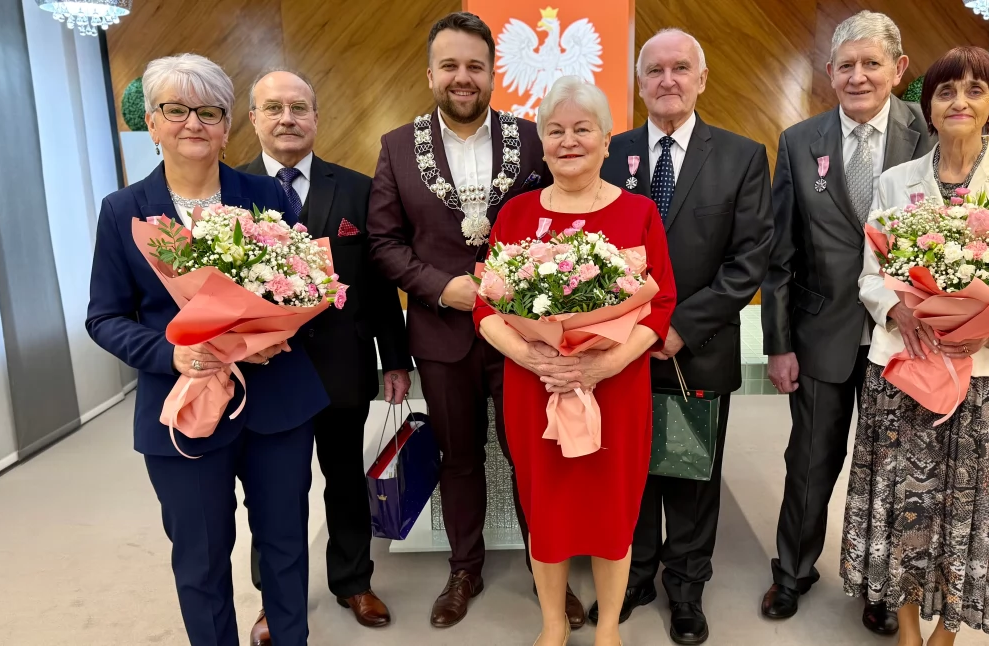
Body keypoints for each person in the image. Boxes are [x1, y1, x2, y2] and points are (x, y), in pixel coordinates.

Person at [85, 53, 327, 646]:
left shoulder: (266, 193)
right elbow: (104, 317)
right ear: (154, 122)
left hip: (277, 404)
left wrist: (271, 334)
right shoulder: (125, 212)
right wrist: (173, 355)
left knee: (285, 546)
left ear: (227, 125)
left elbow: (303, 285)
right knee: (200, 558)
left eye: (209, 111)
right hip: (184, 408)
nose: (193, 123)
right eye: (176, 109)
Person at [843, 45, 989, 646]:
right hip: (906, 372)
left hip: (988, 382)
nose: (959, 102)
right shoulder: (897, 183)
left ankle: (947, 631)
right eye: (945, 91)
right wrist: (896, 306)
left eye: (974, 89)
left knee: (973, 509)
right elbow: (871, 274)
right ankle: (906, 628)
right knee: (905, 503)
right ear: (928, 105)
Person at [366, 12, 579, 629]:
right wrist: (442, 289)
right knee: (458, 457)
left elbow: (560, 220)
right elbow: (383, 242)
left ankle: (551, 571)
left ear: (493, 73)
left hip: (525, 334)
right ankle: (465, 568)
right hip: (442, 332)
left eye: (475, 67)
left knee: (533, 457)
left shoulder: (532, 140)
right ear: (431, 73)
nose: (464, 78)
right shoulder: (397, 148)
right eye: (451, 66)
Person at [475, 75, 677, 646]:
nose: (569, 140)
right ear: (541, 141)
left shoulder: (637, 213)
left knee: (613, 509)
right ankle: (553, 623)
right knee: (547, 509)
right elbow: (487, 305)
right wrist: (534, 357)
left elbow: (659, 305)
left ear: (608, 139)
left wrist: (602, 366)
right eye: (556, 130)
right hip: (534, 388)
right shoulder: (514, 216)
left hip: (614, 389)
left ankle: (609, 626)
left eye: (582, 129)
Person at [594, 29, 773, 646]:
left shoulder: (742, 155)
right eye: (654, 70)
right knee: (633, 469)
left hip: (695, 348)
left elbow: (749, 258)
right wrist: (633, 330)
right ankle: (637, 572)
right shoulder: (610, 153)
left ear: (701, 79)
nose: (666, 80)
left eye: (679, 69)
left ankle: (687, 586)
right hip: (619, 352)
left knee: (692, 473)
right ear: (639, 83)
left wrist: (676, 327)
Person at [758, 10, 934, 634]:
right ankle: (792, 571)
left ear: (898, 69)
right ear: (829, 72)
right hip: (820, 333)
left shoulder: (929, 133)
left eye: (872, 64)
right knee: (810, 460)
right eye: (846, 66)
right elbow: (780, 255)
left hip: (905, 339)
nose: (858, 77)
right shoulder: (800, 141)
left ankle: (881, 587)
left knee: (892, 469)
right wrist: (778, 344)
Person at [238, 69, 413, 645]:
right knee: (274, 491)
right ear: (254, 118)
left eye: (298, 108)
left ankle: (352, 581)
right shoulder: (233, 192)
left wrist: (395, 358)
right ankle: (275, 600)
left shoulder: (358, 189)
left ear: (317, 117)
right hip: (265, 372)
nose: (287, 119)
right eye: (274, 109)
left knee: (344, 480)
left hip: (342, 365)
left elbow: (381, 283)